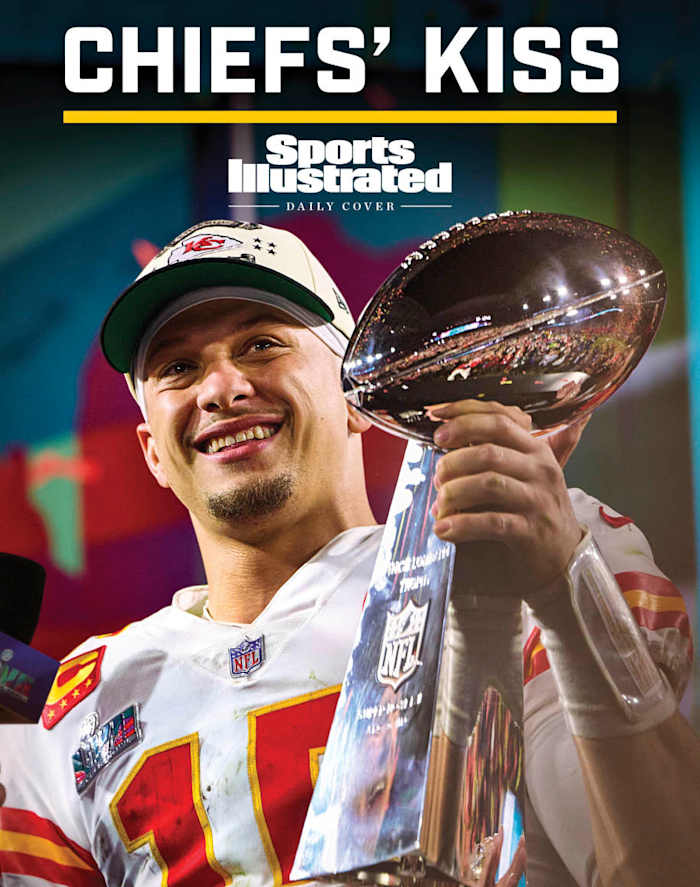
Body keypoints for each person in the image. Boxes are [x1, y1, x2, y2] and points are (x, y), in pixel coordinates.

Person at [0, 219, 696, 887]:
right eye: (180, 367)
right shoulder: (79, 706)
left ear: (358, 397)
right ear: (153, 452)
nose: (222, 387)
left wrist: (565, 589)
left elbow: (661, 869)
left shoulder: (521, 547)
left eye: (261, 344)